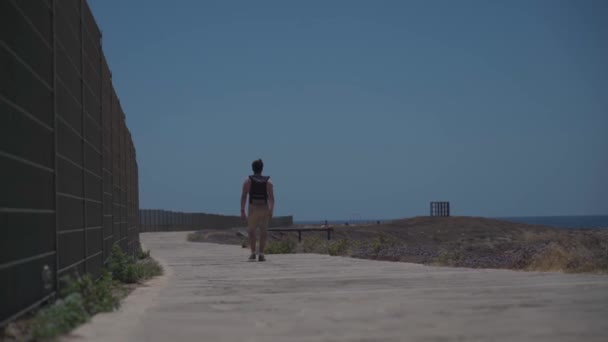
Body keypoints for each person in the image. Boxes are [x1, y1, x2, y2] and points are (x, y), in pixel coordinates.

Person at [240, 159, 274, 262]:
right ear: (262, 168)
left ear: (252, 168)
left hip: (253, 207)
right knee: (263, 232)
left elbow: (244, 196)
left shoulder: (247, 181)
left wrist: (242, 210)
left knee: (251, 231)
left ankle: (253, 253)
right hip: (264, 207)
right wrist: (271, 210)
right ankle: (262, 254)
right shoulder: (268, 181)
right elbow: (272, 198)